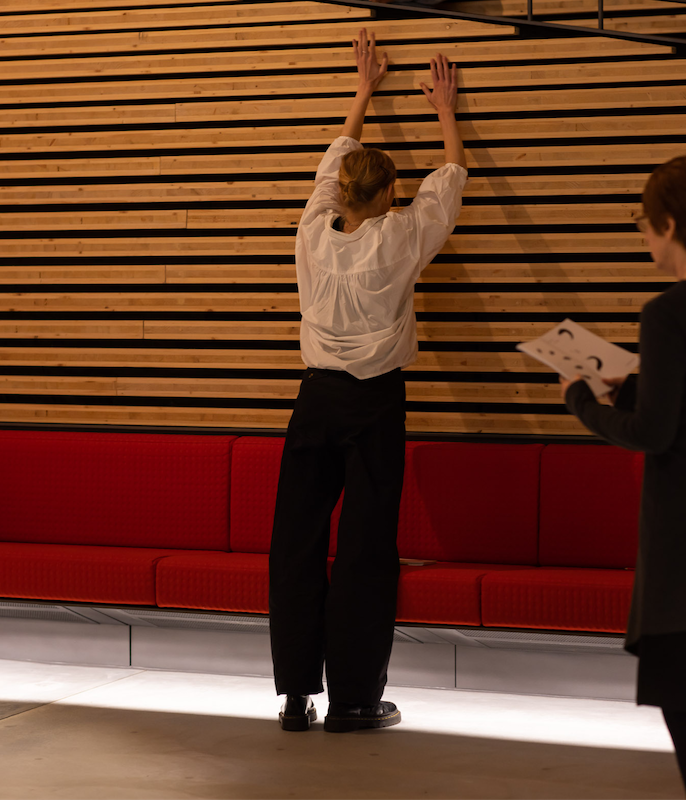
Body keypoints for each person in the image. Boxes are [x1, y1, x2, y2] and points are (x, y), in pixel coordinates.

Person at [268, 29, 468, 733]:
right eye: (395, 187)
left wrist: (363, 91)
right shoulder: (400, 236)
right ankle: (354, 699)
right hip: (375, 403)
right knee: (364, 548)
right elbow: (448, 187)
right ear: (385, 195)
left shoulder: (313, 231)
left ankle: (295, 696)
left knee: (294, 540)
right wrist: (444, 109)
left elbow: (332, 164)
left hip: (313, 400)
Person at [561, 155, 686, 789]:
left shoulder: (668, 313)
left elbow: (655, 434)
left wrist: (583, 398)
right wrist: (635, 382)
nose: (644, 235)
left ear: (667, 223)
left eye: (642, 222)